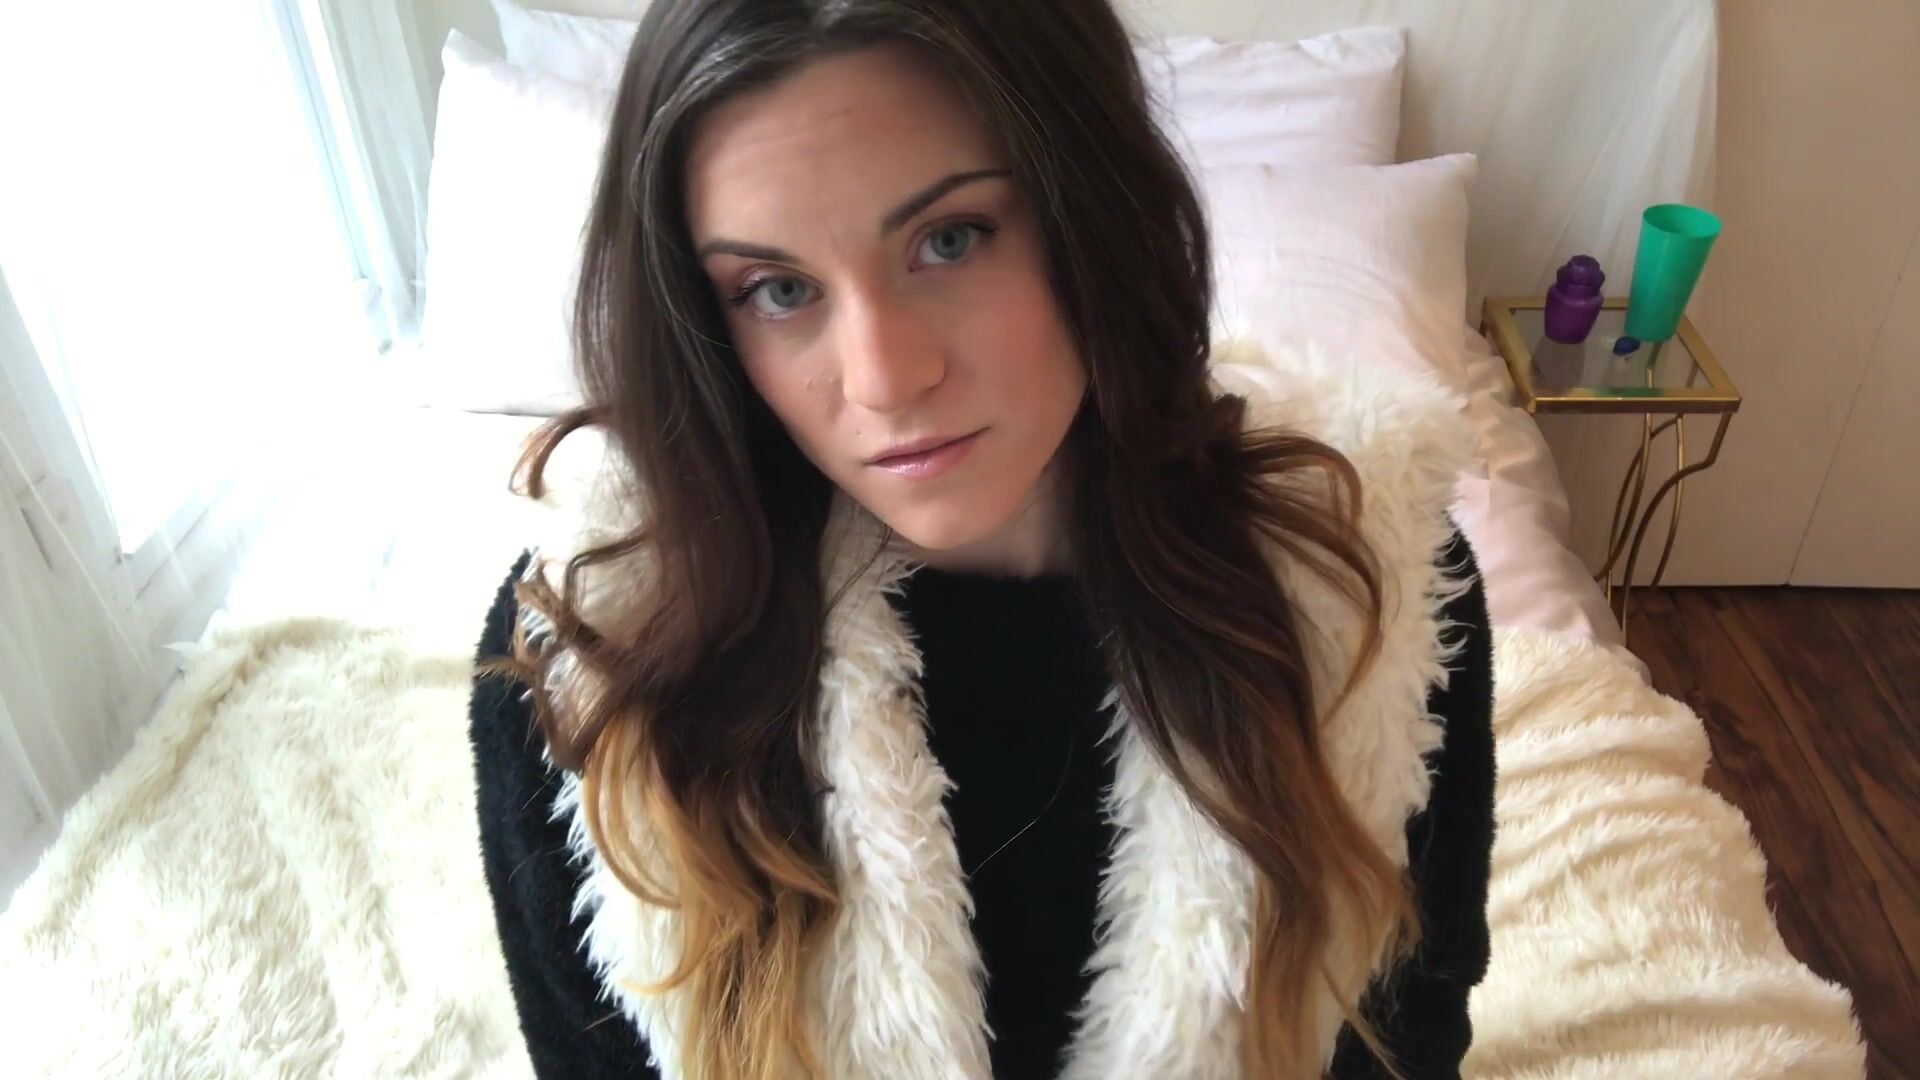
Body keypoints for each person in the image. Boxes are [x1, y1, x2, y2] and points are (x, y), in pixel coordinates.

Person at [468, 1, 1495, 1077]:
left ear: (1096, 211)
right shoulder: (597, 659)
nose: (884, 379)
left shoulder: (1366, 580)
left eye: (950, 240)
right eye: (777, 290)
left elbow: (1408, 1038)